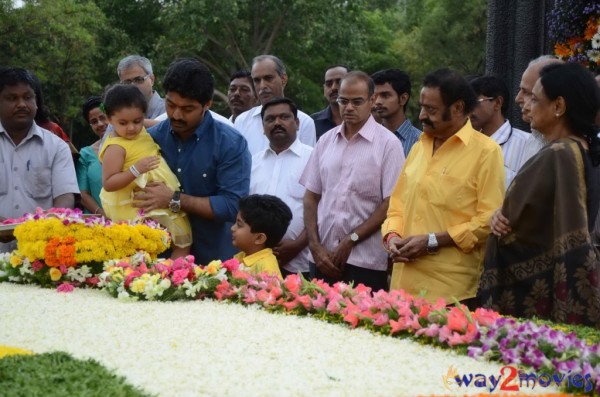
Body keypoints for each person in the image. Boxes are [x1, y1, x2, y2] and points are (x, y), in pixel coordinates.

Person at [478, 62, 600, 326]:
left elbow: (542, 225)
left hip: (535, 300)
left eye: (534, 98)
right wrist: (502, 212)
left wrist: (503, 220)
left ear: (558, 107)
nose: (526, 105)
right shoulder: (579, 150)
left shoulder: (560, 155)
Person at [382, 68, 505, 305]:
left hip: (451, 294)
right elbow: (397, 205)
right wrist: (392, 236)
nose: (421, 116)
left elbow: (489, 220)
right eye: (422, 107)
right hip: (402, 287)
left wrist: (431, 240)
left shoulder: (486, 152)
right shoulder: (420, 146)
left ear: (458, 108)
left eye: (431, 110)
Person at [138, 58, 251, 264]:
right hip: (157, 260)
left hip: (214, 263)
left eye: (188, 109)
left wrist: (174, 200)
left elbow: (232, 205)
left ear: (207, 104)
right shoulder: (150, 139)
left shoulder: (230, 143)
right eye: (171, 105)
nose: (177, 114)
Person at [301, 71, 405, 291]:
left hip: (365, 261)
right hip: (321, 257)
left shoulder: (388, 144)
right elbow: (311, 196)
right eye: (343, 101)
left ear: (372, 100)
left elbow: (390, 203)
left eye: (357, 101)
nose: (348, 108)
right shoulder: (326, 141)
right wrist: (315, 246)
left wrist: (351, 239)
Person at [99, 84, 192, 258]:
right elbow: (108, 183)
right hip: (135, 202)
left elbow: (166, 127)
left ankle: (171, 275)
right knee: (142, 247)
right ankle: (146, 279)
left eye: (137, 121)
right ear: (109, 119)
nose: (132, 128)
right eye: (123, 123)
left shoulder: (142, 128)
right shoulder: (116, 147)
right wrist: (135, 170)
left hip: (163, 196)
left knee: (182, 241)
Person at [0, 67, 79, 250]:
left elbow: (65, 197)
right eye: (12, 98)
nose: (21, 104)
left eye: (27, 97)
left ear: (36, 102)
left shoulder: (57, 147)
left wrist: (45, 227)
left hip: (41, 254)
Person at [251, 97, 312, 279]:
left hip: (301, 262)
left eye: (284, 117)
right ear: (262, 127)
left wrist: (297, 244)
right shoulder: (253, 162)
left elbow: (323, 209)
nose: (277, 123)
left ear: (297, 123)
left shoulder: (314, 158)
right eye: (270, 119)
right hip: (258, 263)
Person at [234, 55, 316, 155]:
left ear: (284, 79)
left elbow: (307, 163)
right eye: (257, 80)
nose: (262, 86)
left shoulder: (304, 122)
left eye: (268, 78)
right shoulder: (242, 121)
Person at [469, 75, 529, 188]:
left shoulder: (527, 144)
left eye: (474, 102)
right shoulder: (466, 144)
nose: (469, 110)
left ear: (497, 103)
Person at [515, 55, 562, 166]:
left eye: (528, 93)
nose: (517, 99)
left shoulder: (571, 151)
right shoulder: (534, 138)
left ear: (558, 105)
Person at [231, 194, 292, 280]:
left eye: (239, 225)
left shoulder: (267, 274)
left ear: (259, 238)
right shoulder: (243, 255)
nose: (232, 228)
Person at [372, 69, 422, 157]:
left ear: (403, 98)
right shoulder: (368, 138)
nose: (378, 101)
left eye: (385, 95)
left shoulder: (421, 141)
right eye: (374, 96)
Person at [76, 96, 107, 216]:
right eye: (94, 121)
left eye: (102, 118)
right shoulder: (86, 154)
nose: (100, 124)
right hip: (98, 224)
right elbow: (83, 194)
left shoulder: (130, 146)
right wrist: (103, 216)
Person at [117, 55, 165, 119]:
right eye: (127, 82)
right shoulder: (118, 115)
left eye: (138, 80)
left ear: (152, 79)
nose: (133, 86)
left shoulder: (169, 110)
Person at [311, 65, 348, 140]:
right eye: (329, 84)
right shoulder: (312, 122)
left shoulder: (365, 120)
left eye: (339, 82)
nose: (334, 87)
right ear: (324, 88)